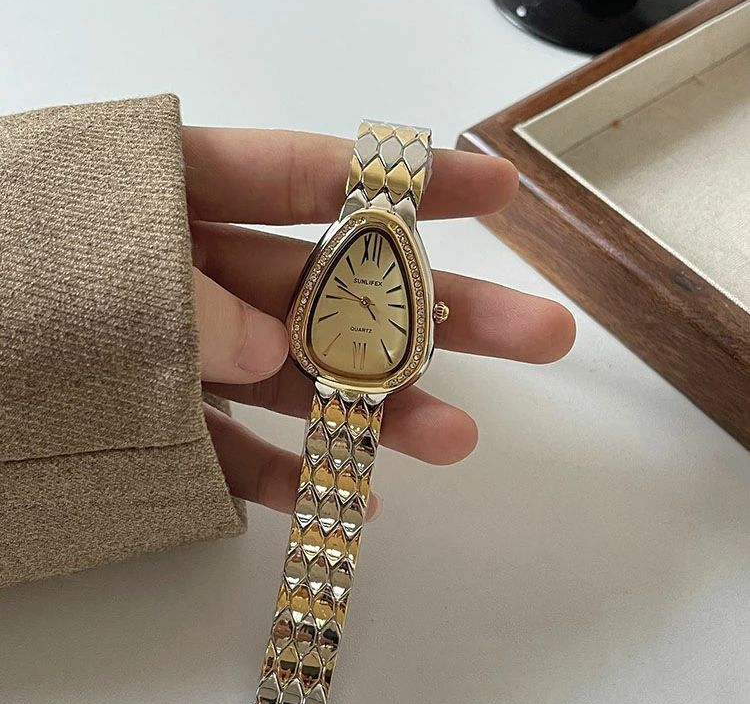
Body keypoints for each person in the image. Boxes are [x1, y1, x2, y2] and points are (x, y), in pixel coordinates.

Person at [0, 95, 575, 588]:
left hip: (362, 375)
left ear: (430, 317)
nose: (368, 306)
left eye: (377, 304)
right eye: (359, 299)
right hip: (340, 363)